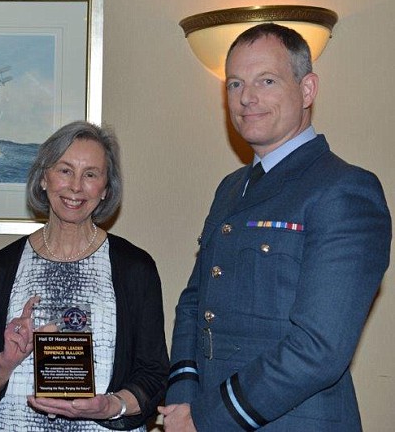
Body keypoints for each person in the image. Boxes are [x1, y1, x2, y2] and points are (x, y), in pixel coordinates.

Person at [159, 23, 392, 431]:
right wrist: (182, 399)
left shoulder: (345, 189)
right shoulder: (231, 189)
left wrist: (207, 418)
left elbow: (320, 349)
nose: (247, 98)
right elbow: (195, 304)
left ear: (307, 90)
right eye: (234, 84)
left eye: (266, 80)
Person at [0, 121, 169, 430]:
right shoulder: (2, 267)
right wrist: (7, 360)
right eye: (65, 170)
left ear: (105, 189)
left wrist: (110, 406)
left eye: (90, 174)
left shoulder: (134, 268)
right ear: (43, 178)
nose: (76, 186)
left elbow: (153, 375)